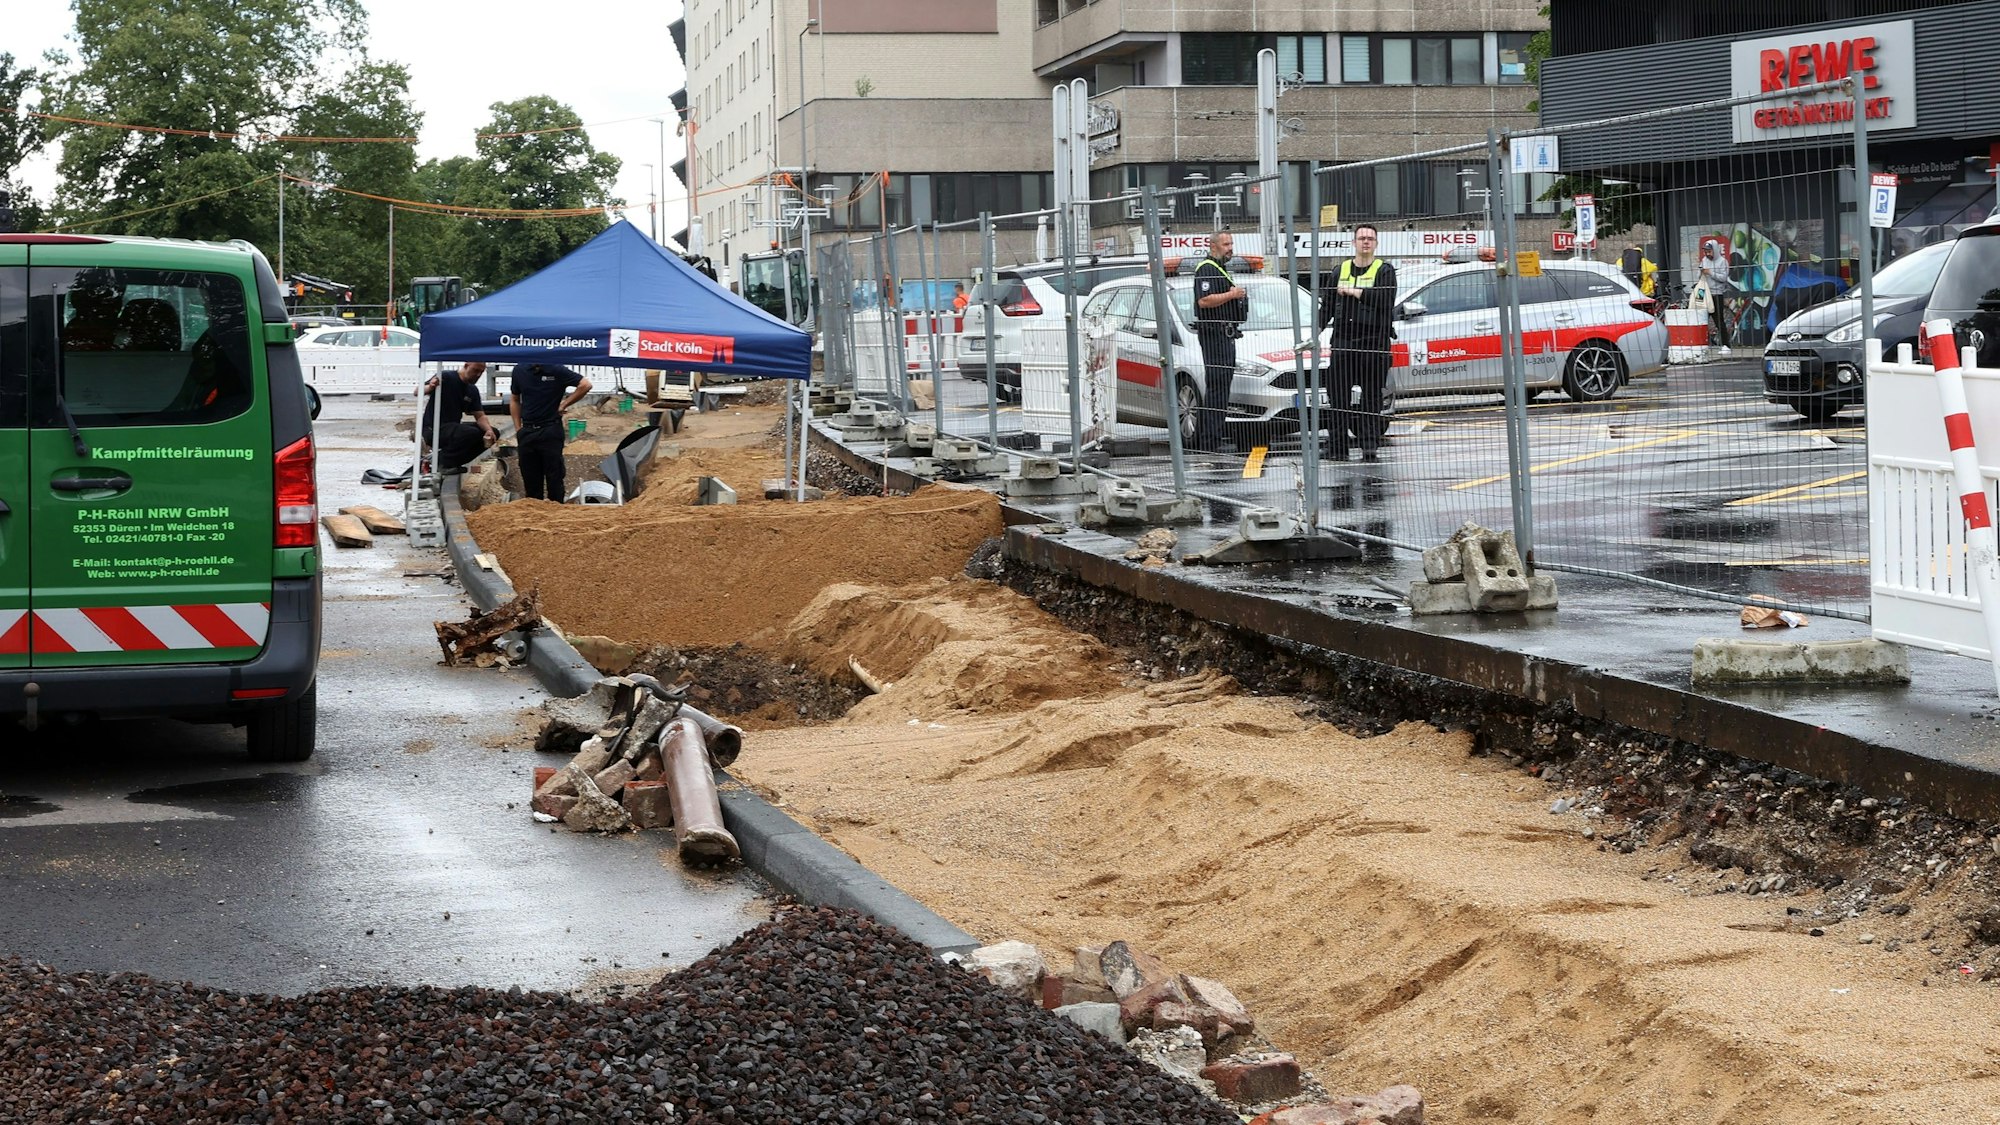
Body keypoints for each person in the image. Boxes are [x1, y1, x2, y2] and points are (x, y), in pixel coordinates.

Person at [1318, 224, 1398, 462]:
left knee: (1371, 397)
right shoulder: (1339, 270)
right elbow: (1328, 308)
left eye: (1370, 239)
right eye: (1362, 238)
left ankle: (1369, 445)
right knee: (1338, 396)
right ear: (1353, 242)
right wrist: (1314, 333)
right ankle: (1337, 447)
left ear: (1376, 243)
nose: (1366, 242)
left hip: (1374, 342)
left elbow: (1385, 299)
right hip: (1344, 341)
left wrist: (1355, 291)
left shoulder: (1384, 270)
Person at [1190, 231, 1249, 452]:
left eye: (1231, 243)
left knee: (1222, 388)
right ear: (1213, 245)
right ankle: (1209, 442)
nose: (1230, 247)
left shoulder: (1221, 269)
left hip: (1225, 335)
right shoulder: (1207, 268)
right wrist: (1232, 295)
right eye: (1226, 244)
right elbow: (1204, 300)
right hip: (1214, 335)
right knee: (1216, 388)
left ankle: (1214, 436)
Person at [509, 362, 592, 501]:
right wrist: (518, 429)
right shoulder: (520, 370)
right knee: (530, 479)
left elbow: (585, 385)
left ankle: (556, 513)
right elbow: (514, 399)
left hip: (550, 430)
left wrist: (564, 404)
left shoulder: (556, 369)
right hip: (528, 431)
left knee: (555, 477)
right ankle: (535, 514)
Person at [421, 362, 496, 472]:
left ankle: (453, 462)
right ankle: (442, 463)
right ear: (466, 366)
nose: (478, 375)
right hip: (433, 428)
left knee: (492, 432)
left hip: (453, 429)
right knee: (470, 432)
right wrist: (431, 387)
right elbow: (417, 391)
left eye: (481, 372)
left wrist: (489, 430)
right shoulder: (446, 377)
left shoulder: (472, 390)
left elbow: (480, 416)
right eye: (475, 370)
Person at [1697, 239, 1732, 350]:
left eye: (1709, 251)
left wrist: (1710, 273)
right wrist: (1701, 271)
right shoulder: (1704, 260)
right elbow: (1698, 275)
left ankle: (1725, 344)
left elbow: (1723, 278)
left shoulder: (1723, 261)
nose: (1707, 254)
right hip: (1703, 291)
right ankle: (1702, 343)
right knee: (1700, 318)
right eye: (1706, 252)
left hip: (1716, 292)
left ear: (1715, 250)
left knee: (1718, 320)